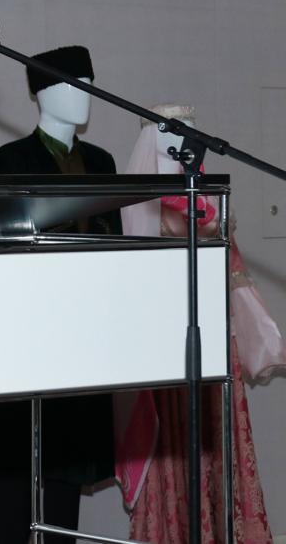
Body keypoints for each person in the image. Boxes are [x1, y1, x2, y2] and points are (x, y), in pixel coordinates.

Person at [115, 105, 277, 542]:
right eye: (174, 134)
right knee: (175, 445)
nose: (185, 144)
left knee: (217, 441)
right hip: (170, 342)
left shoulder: (206, 194)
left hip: (214, 337)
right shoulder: (142, 202)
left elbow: (231, 266)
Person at [0, 45, 119, 544]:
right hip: (29, 342)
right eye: (72, 87)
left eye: (89, 87)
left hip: (85, 342)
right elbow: (3, 249)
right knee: (18, 479)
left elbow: (115, 245)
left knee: (68, 478)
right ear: (41, 93)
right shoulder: (10, 159)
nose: (84, 98)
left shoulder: (102, 162)